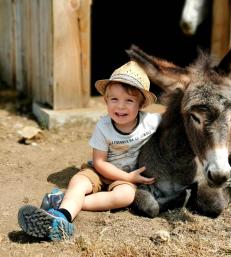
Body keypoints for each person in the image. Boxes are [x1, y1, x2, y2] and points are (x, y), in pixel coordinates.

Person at [18, 61, 161, 241]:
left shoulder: (151, 122)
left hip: (125, 179)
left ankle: (63, 201)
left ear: (141, 105)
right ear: (105, 100)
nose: (120, 106)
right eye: (114, 99)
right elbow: (100, 162)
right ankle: (62, 218)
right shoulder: (103, 126)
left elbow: (176, 122)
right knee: (79, 181)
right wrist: (129, 177)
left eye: (129, 100)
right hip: (101, 171)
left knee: (126, 196)